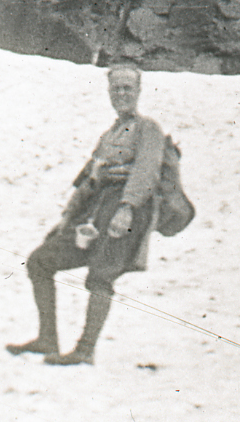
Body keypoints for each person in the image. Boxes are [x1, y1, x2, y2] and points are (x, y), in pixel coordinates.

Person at [10, 62, 165, 367]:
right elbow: (88, 180)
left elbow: (146, 171)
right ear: (109, 93)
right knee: (41, 260)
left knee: (101, 275)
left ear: (138, 92)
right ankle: (47, 339)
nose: (121, 93)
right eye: (116, 88)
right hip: (95, 211)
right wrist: (67, 218)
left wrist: (126, 208)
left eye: (127, 88)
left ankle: (85, 349)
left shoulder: (149, 129)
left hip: (125, 209)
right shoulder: (108, 136)